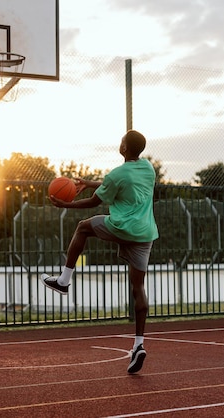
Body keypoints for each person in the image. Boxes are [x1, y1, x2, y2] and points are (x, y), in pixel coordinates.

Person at [40, 129, 159, 374]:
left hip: (122, 227)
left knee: (83, 228)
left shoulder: (118, 174)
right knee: (138, 288)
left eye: (122, 140)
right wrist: (90, 183)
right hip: (146, 233)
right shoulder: (147, 169)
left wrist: (66, 204)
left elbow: (95, 201)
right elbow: (115, 185)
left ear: (124, 148)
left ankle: (63, 280)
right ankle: (139, 344)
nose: (121, 142)